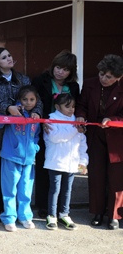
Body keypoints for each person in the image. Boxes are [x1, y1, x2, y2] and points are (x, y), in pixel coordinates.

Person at [0, 47, 42, 223]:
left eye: (9, 55)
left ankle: (19, 212)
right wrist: (7, 108)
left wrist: (36, 112)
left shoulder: (22, 78)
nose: (9, 58)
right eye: (4, 57)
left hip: (20, 135)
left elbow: (35, 99)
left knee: (21, 177)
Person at [75, 54, 123, 230]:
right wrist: (81, 115)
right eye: (101, 74)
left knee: (116, 177)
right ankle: (97, 212)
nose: (103, 78)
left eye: (109, 77)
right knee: (96, 175)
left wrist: (113, 119)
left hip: (118, 139)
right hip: (95, 137)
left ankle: (114, 215)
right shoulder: (90, 84)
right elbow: (82, 105)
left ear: (119, 77)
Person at [31, 50, 80, 218]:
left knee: (63, 169)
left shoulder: (73, 86)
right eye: (58, 67)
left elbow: (77, 107)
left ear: (71, 72)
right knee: (45, 166)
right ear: (53, 66)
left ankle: (61, 208)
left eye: (65, 69)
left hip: (66, 131)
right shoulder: (40, 80)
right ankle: (44, 206)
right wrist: (42, 121)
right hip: (46, 128)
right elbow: (34, 102)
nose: (60, 72)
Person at [0, 86, 41, 232]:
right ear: (19, 100)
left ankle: (25, 216)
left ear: (36, 101)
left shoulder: (36, 117)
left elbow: (37, 136)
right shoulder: (14, 113)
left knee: (26, 189)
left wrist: (35, 148)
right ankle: (9, 217)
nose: (28, 102)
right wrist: (11, 112)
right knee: (9, 189)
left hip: (29, 160)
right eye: (25, 99)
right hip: (11, 156)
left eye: (31, 99)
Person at [44, 93, 88, 231]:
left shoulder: (77, 121)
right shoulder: (51, 119)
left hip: (72, 164)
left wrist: (83, 161)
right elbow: (56, 137)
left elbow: (82, 144)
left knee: (67, 190)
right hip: (56, 162)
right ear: (57, 106)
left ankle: (64, 214)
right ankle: (51, 215)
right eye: (67, 107)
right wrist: (74, 128)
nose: (71, 110)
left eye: (73, 107)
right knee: (55, 189)